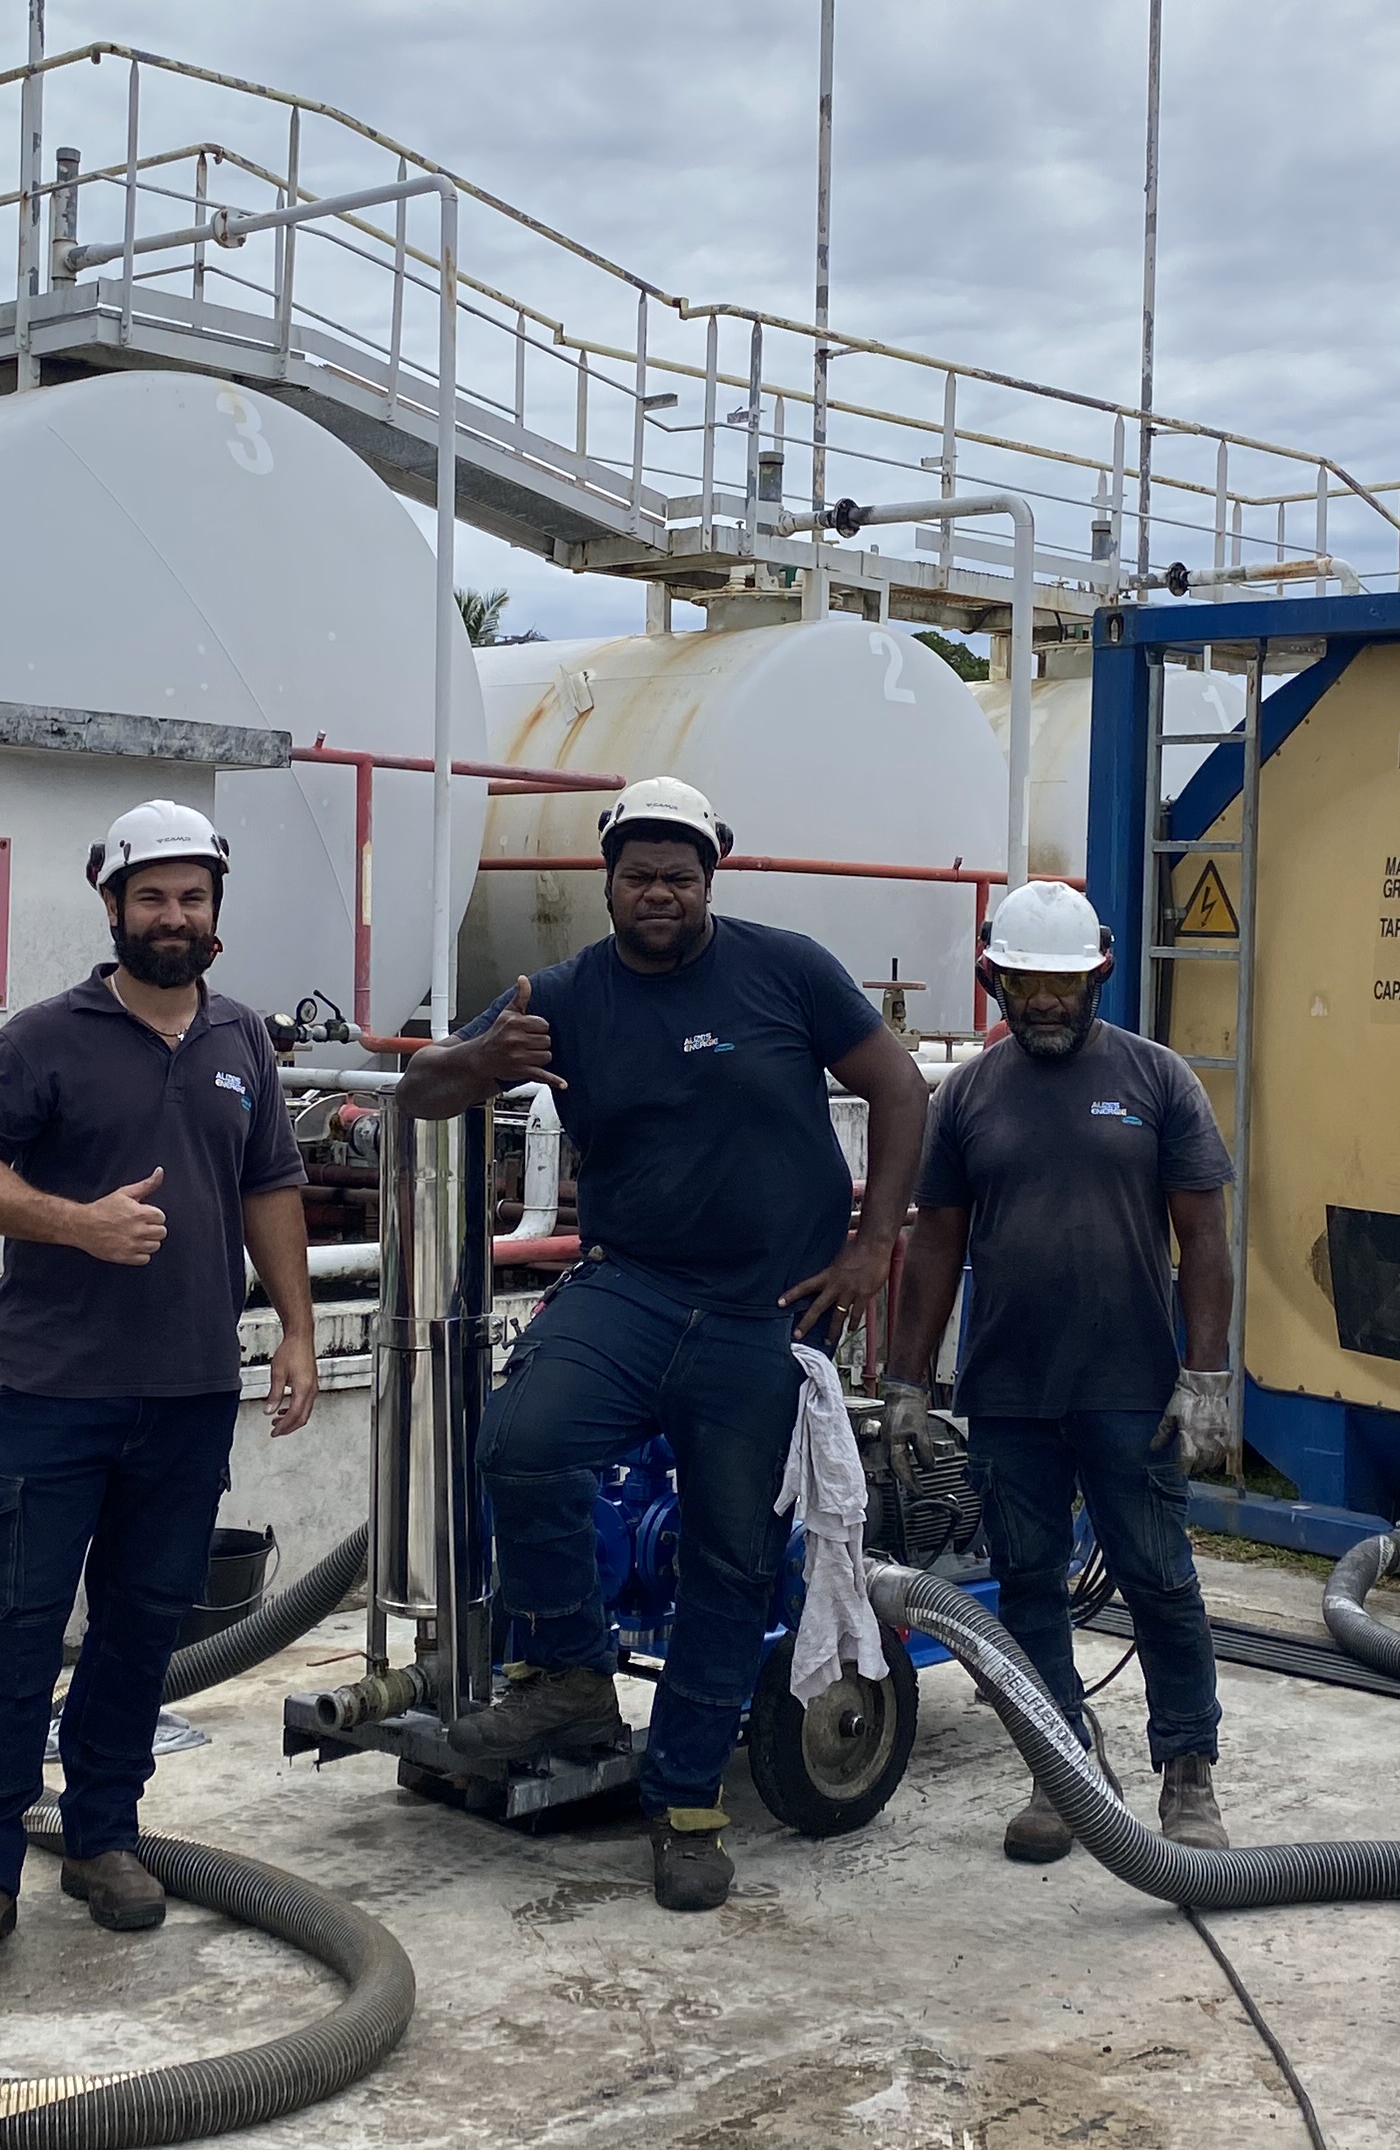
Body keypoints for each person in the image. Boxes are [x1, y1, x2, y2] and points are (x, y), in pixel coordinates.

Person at [400, 774, 930, 1914]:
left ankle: (687, 1810)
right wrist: (484, 1062)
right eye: (638, 874)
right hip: (630, 1288)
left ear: (709, 882)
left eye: (678, 877)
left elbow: (897, 1084)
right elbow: (420, 1093)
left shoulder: (784, 968)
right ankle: (573, 1677)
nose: (658, 893)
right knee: (523, 1445)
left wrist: (872, 1243)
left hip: (764, 1312)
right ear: (606, 882)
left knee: (730, 1562)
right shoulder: (565, 993)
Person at [0, 800, 319, 1972]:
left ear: (215, 914)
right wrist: (71, 1223)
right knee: (16, 1631)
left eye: (193, 898)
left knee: (141, 1631)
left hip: (191, 1390)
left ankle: (103, 1834)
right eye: (152, 897)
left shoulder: (242, 1039)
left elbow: (271, 1190)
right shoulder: (45, 1038)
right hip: (61, 1391)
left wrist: (294, 1329)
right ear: (112, 907)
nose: (173, 917)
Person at [885, 877, 1239, 1863]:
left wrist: (1206, 1377)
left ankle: (1189, 1773)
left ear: (1101, 975)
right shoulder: (966, 1097)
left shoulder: (1159, 1081)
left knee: (1159, 1579)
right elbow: (938, 1246)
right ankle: (1062, 1766)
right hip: (1009, 1393)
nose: (1044, 1002)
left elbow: (1205, 1237)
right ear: (996, 977)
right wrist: (908, 1382)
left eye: (1064, 984)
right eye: (1026, 983)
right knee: (1028, 1582)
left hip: (1131, 1387)